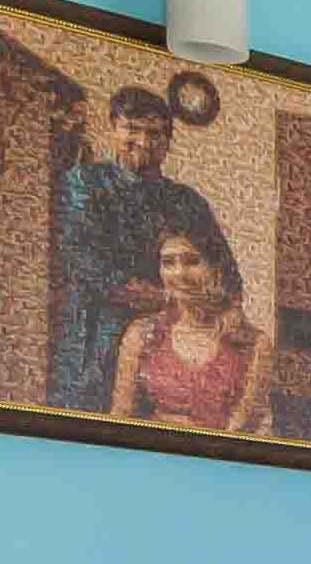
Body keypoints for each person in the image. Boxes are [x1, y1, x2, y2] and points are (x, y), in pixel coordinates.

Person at [50, 89, 225, 412]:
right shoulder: (84, 183)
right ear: (113, 128)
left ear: (169, 141)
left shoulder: (187, 202)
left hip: (169, 349)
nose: (144, 142)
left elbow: (225, 275)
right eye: (132, 129)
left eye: (155, 133)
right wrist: (165, 298)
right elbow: (84, 261)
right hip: (95, 342)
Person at [109, 222, 276, 436]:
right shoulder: (142, 334)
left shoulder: (253, 344)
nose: (179, 274)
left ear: (216, 270)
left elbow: (243, 425)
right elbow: (120, 417)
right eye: (168, 263)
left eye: (192, 261)